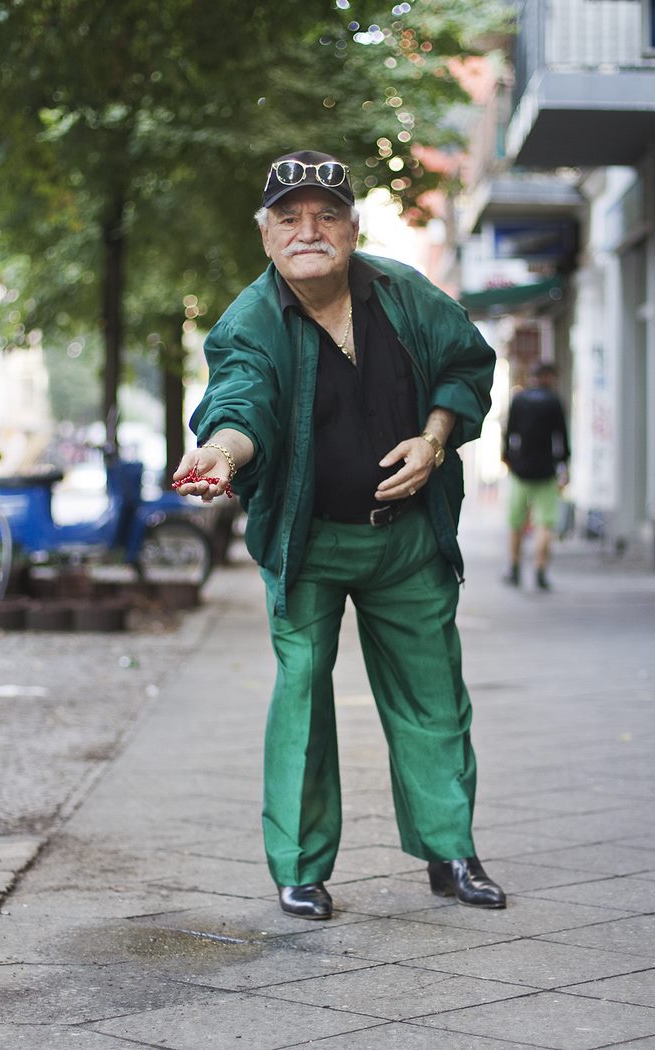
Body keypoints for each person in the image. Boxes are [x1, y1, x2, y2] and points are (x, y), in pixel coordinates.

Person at [173, 149, 506, 919]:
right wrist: (221, 454)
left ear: (353, 229)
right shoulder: (249, 321)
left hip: (406, 539)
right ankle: (299, 866)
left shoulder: (402, 292)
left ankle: (450, 851)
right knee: (302, 694)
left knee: (434, 695)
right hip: (309, 542)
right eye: (288, 218)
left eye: (326, 216)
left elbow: (467, 362)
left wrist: (433, 437)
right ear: (266, 238)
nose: (307, 230)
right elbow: (240, 398)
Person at [503, 361, 570, 591]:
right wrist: (564, 465)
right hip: (546, 470)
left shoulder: (519, 400)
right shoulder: (554, 401)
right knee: (545, 523)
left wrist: (509, 459)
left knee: (516, 522)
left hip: (520, 470)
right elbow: (562, 436)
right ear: (548, 377)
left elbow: (509, 433)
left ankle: (514, 568)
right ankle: (540, 570)